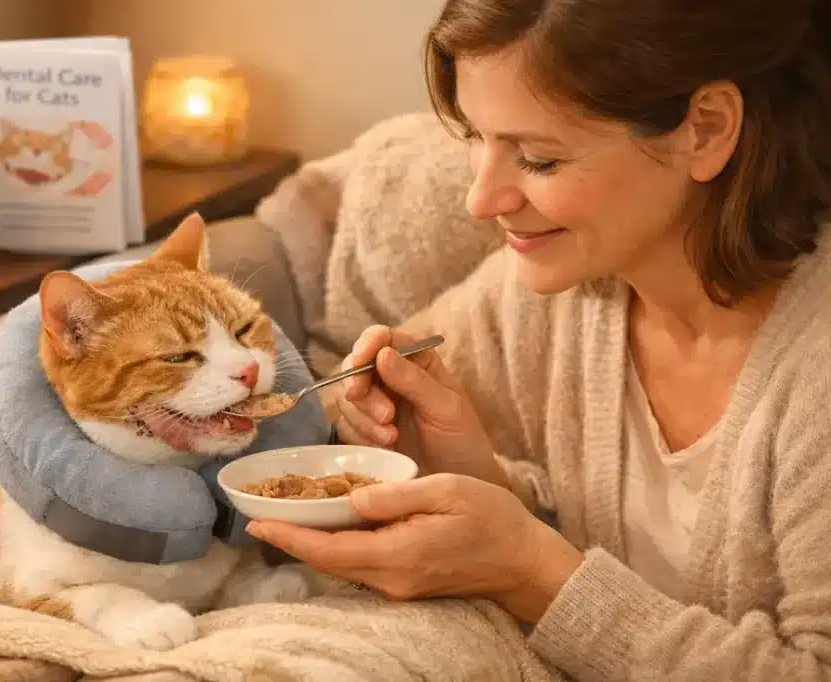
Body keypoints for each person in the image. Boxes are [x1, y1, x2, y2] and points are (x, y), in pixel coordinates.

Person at [244, 0, 831, 679]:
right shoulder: (544, 294)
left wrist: (530, 574)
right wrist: (455, 470)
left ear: (705, 130)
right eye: (475, 137)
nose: (481, 199)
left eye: (538, 159)